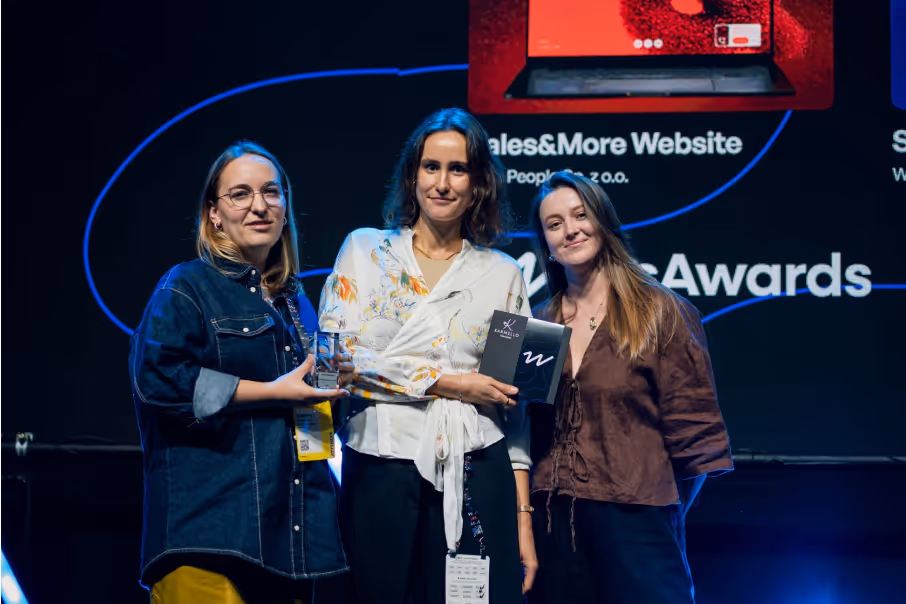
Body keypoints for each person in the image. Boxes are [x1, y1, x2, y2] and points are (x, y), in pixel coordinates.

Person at [318, 108, 538, 604]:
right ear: (412, 175)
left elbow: (507, 397)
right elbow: (336, 363)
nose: (442, 182)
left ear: (479, 181)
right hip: (378, 462)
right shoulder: (365, 251)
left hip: (477, 468)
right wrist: (453, 383)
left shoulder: (502, 274)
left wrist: (523, 517)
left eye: (457, 169)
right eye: (430, 167)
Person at [129, 141, 353, 603]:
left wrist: (334, 394)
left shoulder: (299, 306)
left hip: (291, 547)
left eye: (271, 192)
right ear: (214, 213)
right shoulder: (187, 285)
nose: (259, 205)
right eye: (240, 194)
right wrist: (270, 392)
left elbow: (312, 425)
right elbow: (157, 382)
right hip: (210, 539)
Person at [526, 171, 733, 604]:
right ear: (543, 240)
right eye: (554, 223)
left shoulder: (661, 311)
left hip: (640, 523)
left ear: (603, 220)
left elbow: (695, 443)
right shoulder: (534, 322)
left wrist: (654, 508)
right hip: (552, 526)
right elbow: (512, 427)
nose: (571, 230)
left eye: (581, 215)